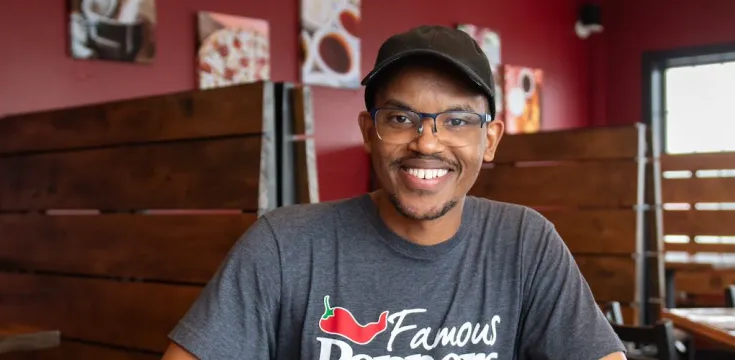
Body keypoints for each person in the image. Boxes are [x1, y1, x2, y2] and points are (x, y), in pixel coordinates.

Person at [160, 25, 626, 360]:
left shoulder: (525, 243)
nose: (426, 142)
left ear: (491, 140)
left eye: (458, 121)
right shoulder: (285, 246)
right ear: (369, 131)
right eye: (401, 119)